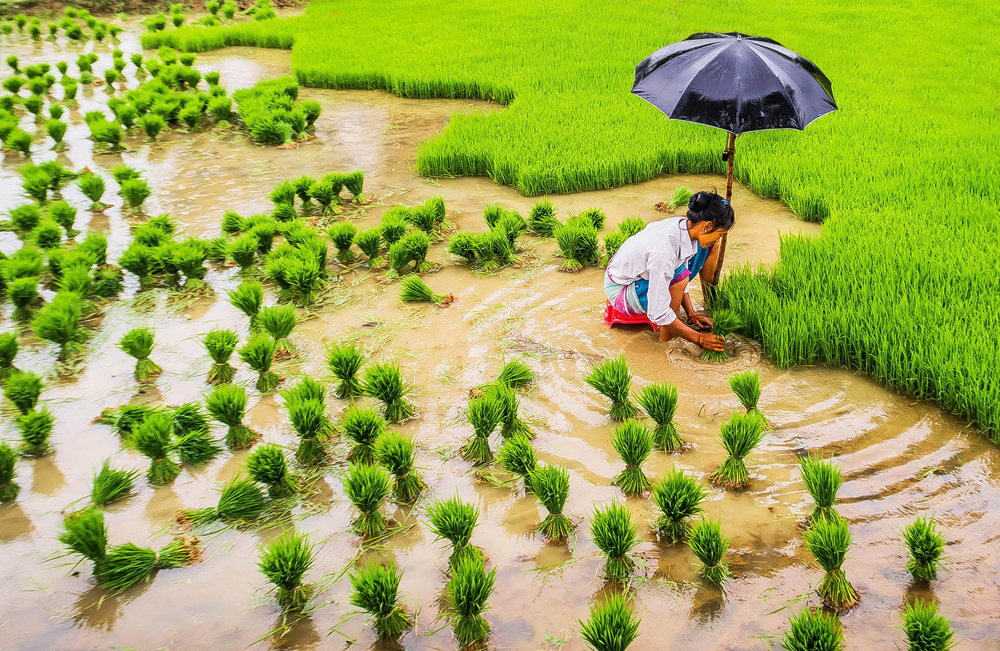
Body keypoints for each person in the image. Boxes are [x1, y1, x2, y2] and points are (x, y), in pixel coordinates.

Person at [604, 191, 734, 351]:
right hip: (621, 289)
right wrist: (700, 339)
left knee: (705, 252)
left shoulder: (685, 228)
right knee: (679, 279)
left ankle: (673, 330)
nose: (718, 238)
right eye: (719, 234)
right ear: (707, 226)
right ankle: (664, 344)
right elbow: (657, 311)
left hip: (639, 273)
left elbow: (683, 267)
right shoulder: (663, 250)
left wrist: (691, 314)